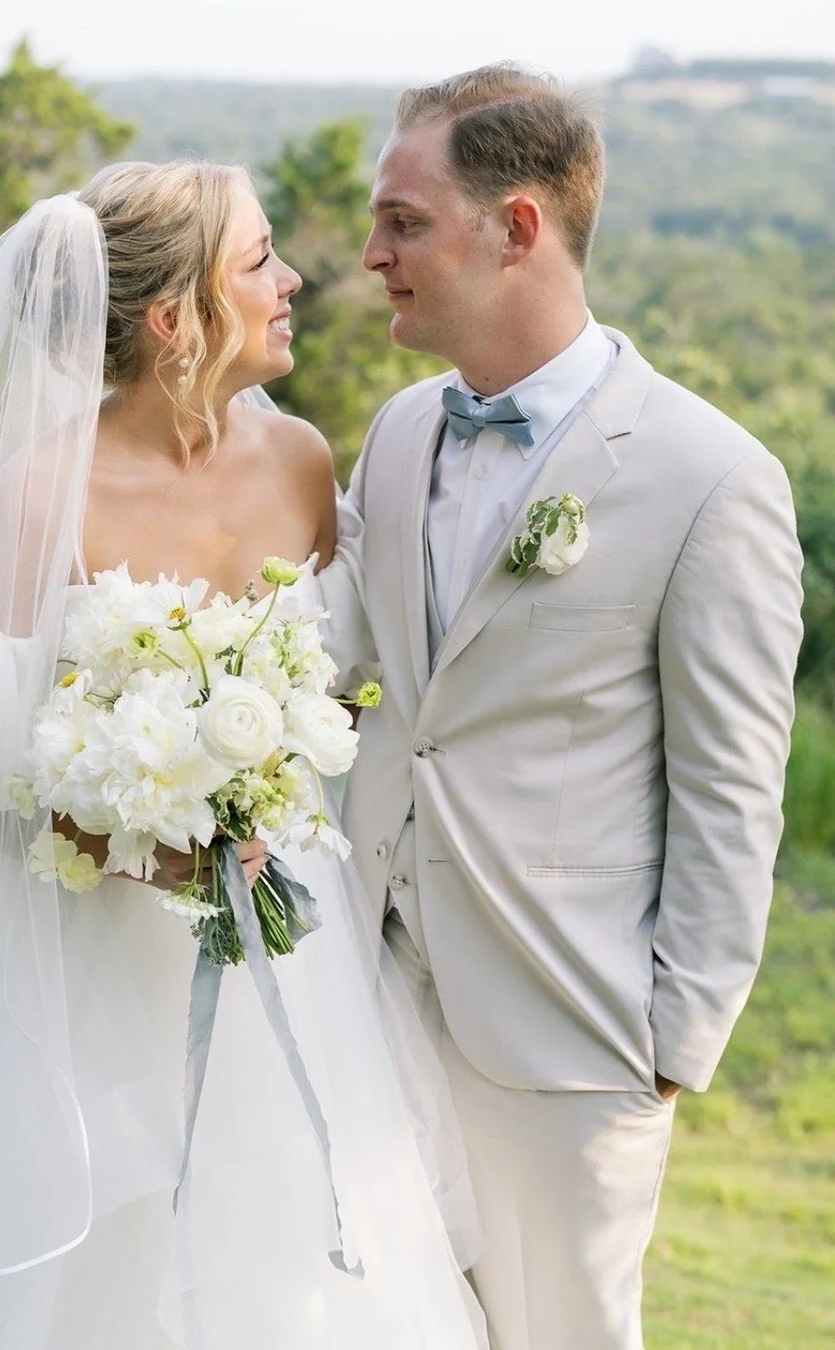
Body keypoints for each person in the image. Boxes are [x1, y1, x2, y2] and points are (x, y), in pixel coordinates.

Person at [0, 162, 489, 1348]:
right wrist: (109, 835)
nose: (296, 278)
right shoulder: (44, 495)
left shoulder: (303, 463)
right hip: (75, 972)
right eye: (259, 262)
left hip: (275, 951)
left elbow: (341, 692)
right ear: (175, 318)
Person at [325, 63, 805, 1350]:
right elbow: (345, 684)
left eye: (404, 221)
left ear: (518, 227)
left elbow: (732, 786)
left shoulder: (712, 480)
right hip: (368, 999)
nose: (373, 253)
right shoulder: (396, 433)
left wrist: (669, 1042)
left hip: (567, 1041)